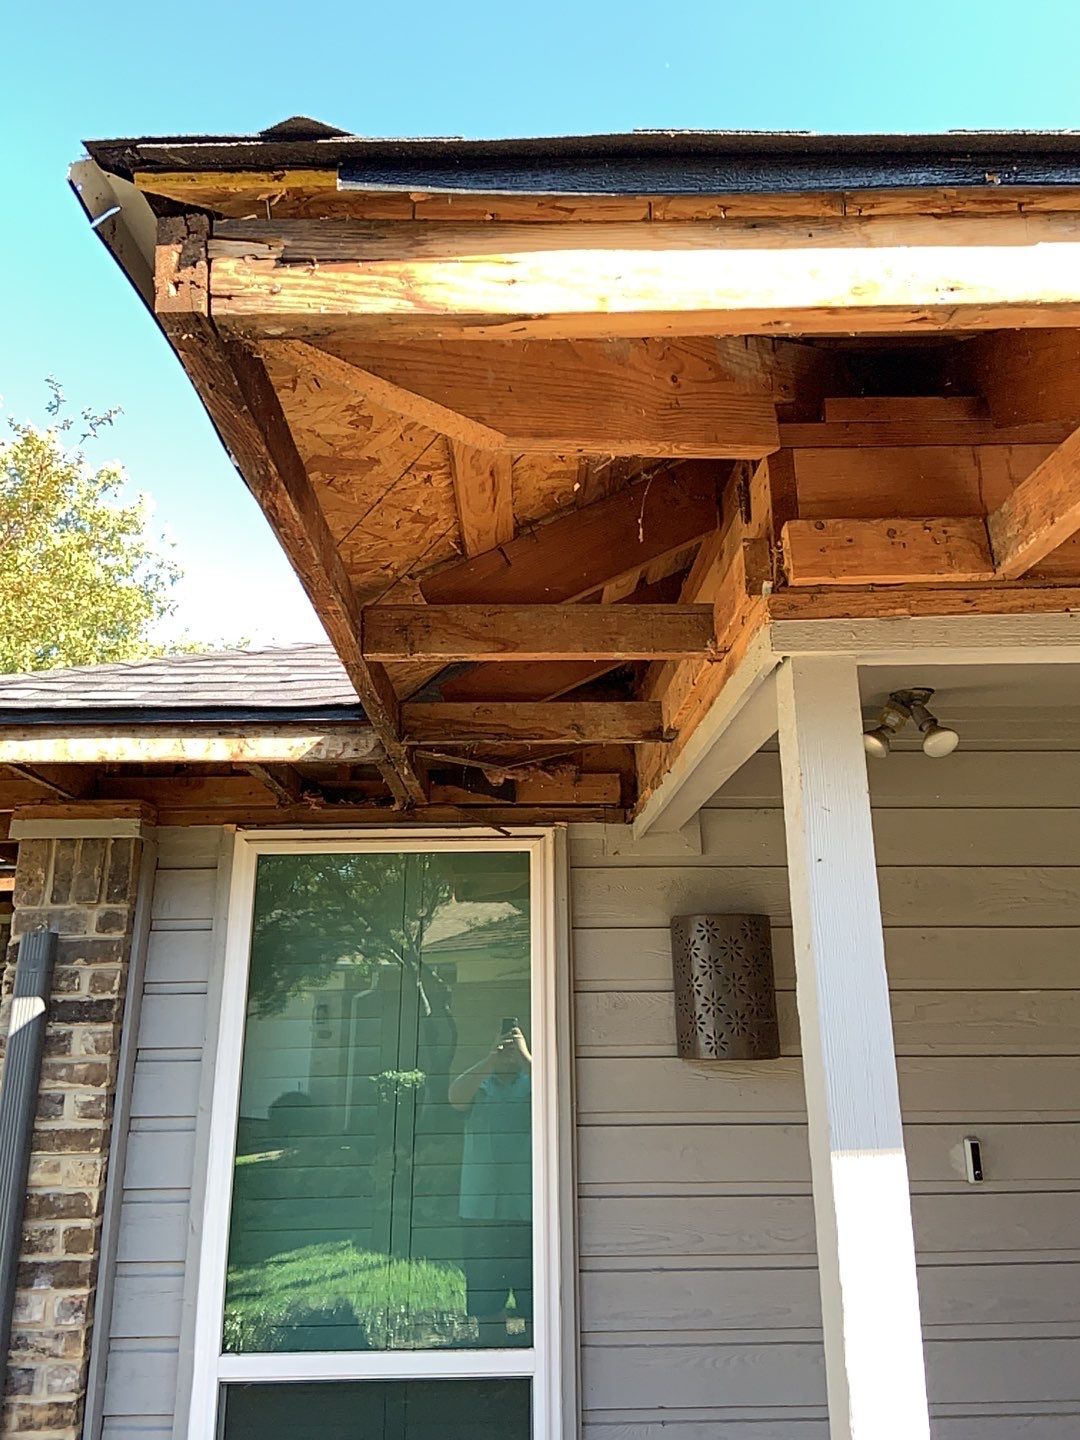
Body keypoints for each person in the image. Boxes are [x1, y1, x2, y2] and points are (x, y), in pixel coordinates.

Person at [449, 1021, 532, 1343]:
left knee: (534, 1295)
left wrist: (526, 1056)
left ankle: (534, 1356)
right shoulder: (479, 1084)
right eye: (504, 1043)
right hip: (481, 1208)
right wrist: (490, 1061)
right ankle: (494, 1356)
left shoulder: (535, 1082)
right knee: (486, 1295)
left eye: (513, 1042)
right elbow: (455, 1097)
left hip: (529, 1207)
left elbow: (557, 1091)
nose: (508, 1049)